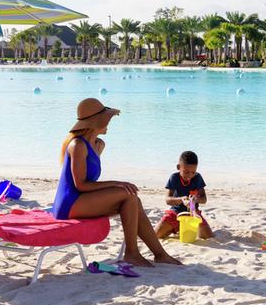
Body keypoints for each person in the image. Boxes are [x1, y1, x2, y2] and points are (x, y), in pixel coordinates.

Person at [53, 97, 181, 267]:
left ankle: (159, 254)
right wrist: (116, 183)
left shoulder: (98, 145)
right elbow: (80, 185)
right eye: (107, 119)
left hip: (83, 199)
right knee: (127, 194)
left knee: (133, 199)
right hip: (70, 204)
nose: (109, 123)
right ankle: (132, 253)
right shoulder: (78, 145)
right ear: (95, 121)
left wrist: (117, 185)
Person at [154, 151, 214, 240]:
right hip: (175, 212)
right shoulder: (174, 177)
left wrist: (196, 199)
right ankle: (176, 227)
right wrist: (181, 199)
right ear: (179, 167)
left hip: (193, 213)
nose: (190, 175)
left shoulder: (198, 178)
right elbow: (167, 200)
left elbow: (204, 199)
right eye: (186, 172)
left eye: (193, 172)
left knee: (207, 236)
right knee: (156, 235)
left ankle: (181, 227)